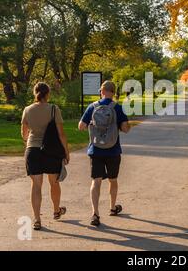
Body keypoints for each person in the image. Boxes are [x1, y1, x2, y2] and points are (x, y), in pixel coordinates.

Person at [78, 81, 131, 226]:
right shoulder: (118, 108)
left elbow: (81, 127)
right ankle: (112, 208)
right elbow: (126, 129)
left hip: (95, 149)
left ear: (101, 91)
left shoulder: (92, 107)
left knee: (96, 181)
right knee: (113, 180)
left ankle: (95, 214)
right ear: (113, 92)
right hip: (113, 150)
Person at [21, 82, 70, 231]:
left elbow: (24, 134)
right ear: (48, 94)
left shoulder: (27, 110)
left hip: (33, 150)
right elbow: (61, 134)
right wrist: (66, 152)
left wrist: (31, 140)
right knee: (54, 182)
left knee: (36, 185)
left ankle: (37, 219)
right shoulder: (54, 109)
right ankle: (56, 211)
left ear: (34, 93)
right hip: (51, 151)